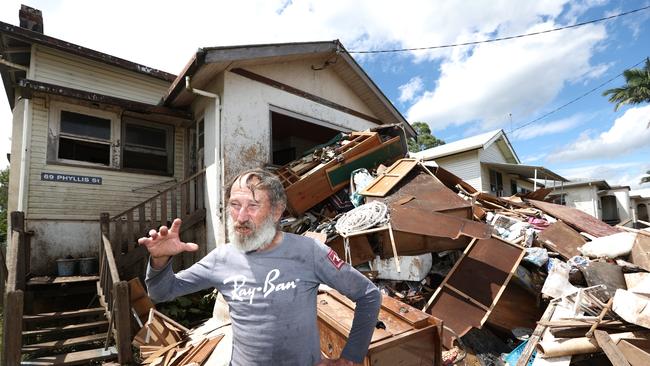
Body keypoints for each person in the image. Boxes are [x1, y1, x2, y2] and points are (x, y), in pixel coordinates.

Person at [140, 168, 381, 366]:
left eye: (253, 206)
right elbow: (161, 293)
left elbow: (368, 294)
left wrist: (351, 357)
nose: (241, 216)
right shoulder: (222, 259)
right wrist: (160, 262)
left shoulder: (310, 252)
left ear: (276, 211)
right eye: (235, 205)